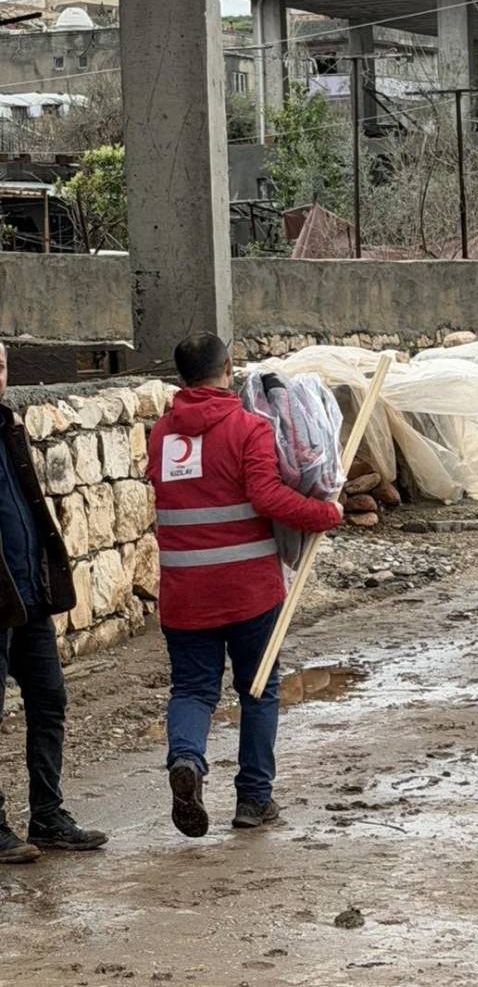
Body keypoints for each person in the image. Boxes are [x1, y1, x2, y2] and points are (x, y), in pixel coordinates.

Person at [148, 333, 343, 839]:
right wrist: (326, 513)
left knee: (192, 688)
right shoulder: (248, 427)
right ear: (228, 368)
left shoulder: (161, 435)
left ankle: (186, 759)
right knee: (259, 690)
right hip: (249, 589)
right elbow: (268, 496)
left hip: (184, 591)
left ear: (180, 378)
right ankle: (254, 799)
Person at [0, 342, 107, 864]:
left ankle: (48, 813)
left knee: (50, 700)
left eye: (0, 366)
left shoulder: (8, 427)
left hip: (28, 598)